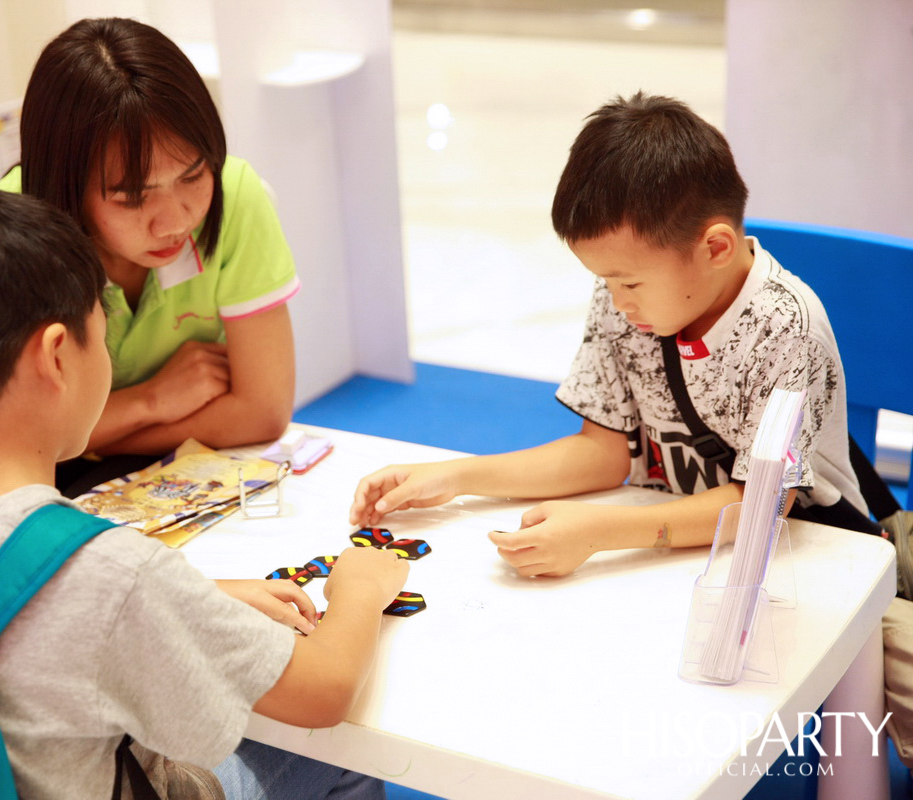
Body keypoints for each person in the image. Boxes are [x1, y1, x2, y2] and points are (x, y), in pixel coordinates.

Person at [0, 187, 406, 799]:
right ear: (56, 355)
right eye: (100, 338)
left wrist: (196, 597)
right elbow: (323, 691)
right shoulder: (107, 570)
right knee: (342, 753)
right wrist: (360, 586)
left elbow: (1, 610)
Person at [350, 91, 872, 577]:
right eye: (605, 280)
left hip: (799, 559)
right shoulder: (630, 300)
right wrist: (453, 477)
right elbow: (603, 454)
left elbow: (758, 507)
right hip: (672, 555)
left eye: (630, 281)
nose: (618, 302)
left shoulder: (785, 328)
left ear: (715, 248)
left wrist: (601, 533)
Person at [0, 17, 300, 495]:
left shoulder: (236, 195)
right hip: (44, 494)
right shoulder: (8, 235)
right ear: (67, 186)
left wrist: (76, 437)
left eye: (193, 175)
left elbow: (262, 411)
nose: (176, 221)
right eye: (133, 197)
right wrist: (153, 400)